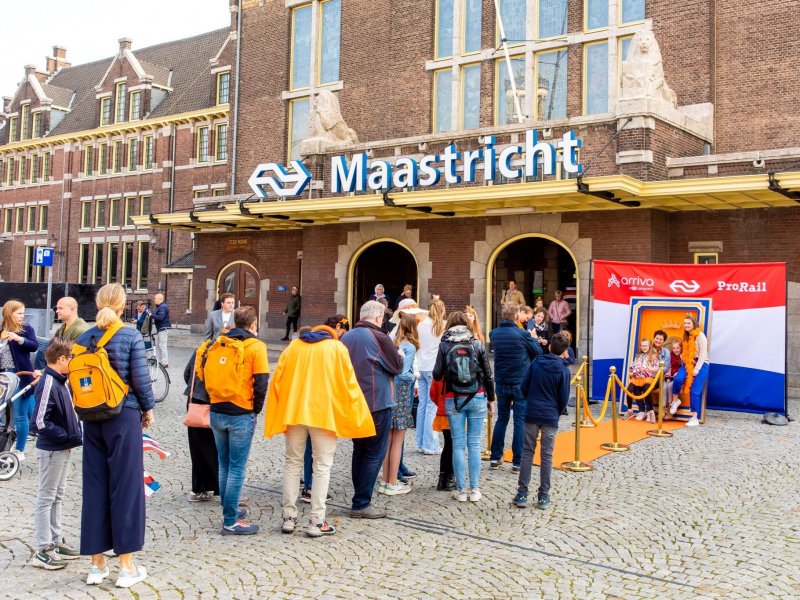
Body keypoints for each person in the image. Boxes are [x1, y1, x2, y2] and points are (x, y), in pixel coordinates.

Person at [266, 314, 374, 537]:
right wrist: (355, 413)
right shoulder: (336, 348)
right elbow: (349, 384)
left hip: (294, 413)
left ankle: (288, 517)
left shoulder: (294, 346)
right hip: (323, 415)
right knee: (322, 466)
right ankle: (317, 521)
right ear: (332, 333)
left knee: (292, 463)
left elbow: (277, 379)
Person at [77, 283, 155, 588]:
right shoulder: (130, 335)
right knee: (126, 486)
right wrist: (147, 409)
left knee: (95, 486)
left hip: (90, 417)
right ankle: (126, 566)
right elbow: (140, 379)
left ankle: (96, 565)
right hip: (122, 415)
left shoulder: (84, 337)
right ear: (123, 305)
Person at [208, 306, 269, 534]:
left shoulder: (220, 342)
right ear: (253, 325)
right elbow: (261, 382)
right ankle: (230, 521)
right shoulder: (256, 346)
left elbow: (203, 373)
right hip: (240, 412)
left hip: (216, 410)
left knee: (223, 463)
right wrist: (255, 409)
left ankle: (228, 507)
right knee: (236, 468)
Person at [341, 300, 404, 519]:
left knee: (359, 450)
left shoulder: (346, 337)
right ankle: (361, 502)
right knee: (374, 453)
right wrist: (401, 355)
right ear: (378, 318)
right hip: (377, 401)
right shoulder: (380, 337)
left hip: (353, 402)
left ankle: (359, 498)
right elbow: (396, 366)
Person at [29, 337, 82, 570]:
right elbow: (39, 422)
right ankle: (43, 548)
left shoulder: (60, 381)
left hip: (62, 447)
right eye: (70, 358)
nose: (72, 362)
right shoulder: (49, 382)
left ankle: (56, 539)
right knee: (46, 497)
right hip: (52, 449)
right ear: (61, 359)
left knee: (57, 495)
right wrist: (65, 436)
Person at [433, 311, 495, 503]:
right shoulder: (476, 343)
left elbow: (436, 375)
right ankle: (475, 490)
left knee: (458, 445)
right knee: (474, 444)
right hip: (476, 397)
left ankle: (461, 490)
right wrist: (491, 398)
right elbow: (488, 374)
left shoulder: (444, 344)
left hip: (454, 399)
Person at [513, 333, 571, 510]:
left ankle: (522, 493)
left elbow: (524, 386)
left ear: (550, 347)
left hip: (532, 411)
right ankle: (543, 495)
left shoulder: (537, 363)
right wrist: (557, 412)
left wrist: (530, 399)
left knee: (527, 452)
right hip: (550, 414)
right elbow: (564, 397)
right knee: (546, 455)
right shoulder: (563, 370)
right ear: (565, 351)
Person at [488, 302, 542, 472]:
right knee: (519, 421)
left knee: (502, 419)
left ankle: (495, 457)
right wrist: (532, 338)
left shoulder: (494, 334)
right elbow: (538, 352)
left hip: (502, 382)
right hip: (520, 383)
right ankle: (517, 461)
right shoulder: (522, 334)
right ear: (517, 316)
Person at [380, 313, 418, 496]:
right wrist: (414, 376)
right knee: (398, 439)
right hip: (402, 393)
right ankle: (393, 482)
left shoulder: (392, 343)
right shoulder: (409, 346)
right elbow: (402, 373)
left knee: (388, 438)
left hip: (389, 391)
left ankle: (385, 480)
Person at [1, 299, 40, 461]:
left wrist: (18, 339)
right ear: (10, 313)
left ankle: (19, 450)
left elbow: (34, 346)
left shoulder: (26, 330)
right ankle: (4, 445)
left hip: (20, 376)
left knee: (19, 415)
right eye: (19, 313)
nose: (22, 316)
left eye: (23, 313)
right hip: (3, 376)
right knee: (2, 413)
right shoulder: (1, 330)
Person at [183, 351, 219, 503]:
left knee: (198, 448)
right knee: (218, 449)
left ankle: (199, 488)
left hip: (196, 402)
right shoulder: (227, 351)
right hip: (216, 404)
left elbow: (187, 374)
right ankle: (220, 487)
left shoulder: (201, 350)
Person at [415, 299, 446, 455]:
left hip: (420, 367)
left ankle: (420, 442)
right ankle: (430, 444)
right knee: (431, 407)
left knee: (422, 406)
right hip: (433, 369)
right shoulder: (441, 327)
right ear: (441, 311)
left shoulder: (420, 325)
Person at [671, 315, 709, 426]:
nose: (686, 325)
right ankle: (675, 401)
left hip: (701, 364)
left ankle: (694, 418)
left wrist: (697, 368)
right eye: (685, 323)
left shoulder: (700, 336)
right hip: (688, 362)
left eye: (688, 323)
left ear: (694, 324)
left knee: (695, 391)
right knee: (678, 380)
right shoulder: (686, 336)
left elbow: (703, 354)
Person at [35, 297, 91, 370]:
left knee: (42, 350)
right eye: (57, 308)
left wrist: (43, 372)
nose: (57, 311)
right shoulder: (63, 328)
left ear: (72, 309)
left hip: (70, 370)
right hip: (59, 366)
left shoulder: (81, 331)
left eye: (60, 308)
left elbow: (69, 358)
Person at [622, 338, 660, 423]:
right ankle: (631, 410)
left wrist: (650, 369)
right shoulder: (638, 355)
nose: (644, 347)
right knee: (629, 390)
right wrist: (632, 368)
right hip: (638, 377)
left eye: (646, 345)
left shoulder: (654, 355)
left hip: (648, 377)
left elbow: (657, 367)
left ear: (649, 346)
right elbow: (634, 365)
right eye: (642, 346)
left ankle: (650, 411)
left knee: (647, 389)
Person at [152, 293, 171, 368]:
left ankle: (164, 363)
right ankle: (161, 362)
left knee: (162, 345)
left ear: (160, 299)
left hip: (163, 328)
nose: (154, 300)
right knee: (159, 345)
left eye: (155, 298)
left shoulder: (162, 307)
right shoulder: (160, 307)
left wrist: (151, 315)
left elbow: (160, 317)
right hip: (160, 328)